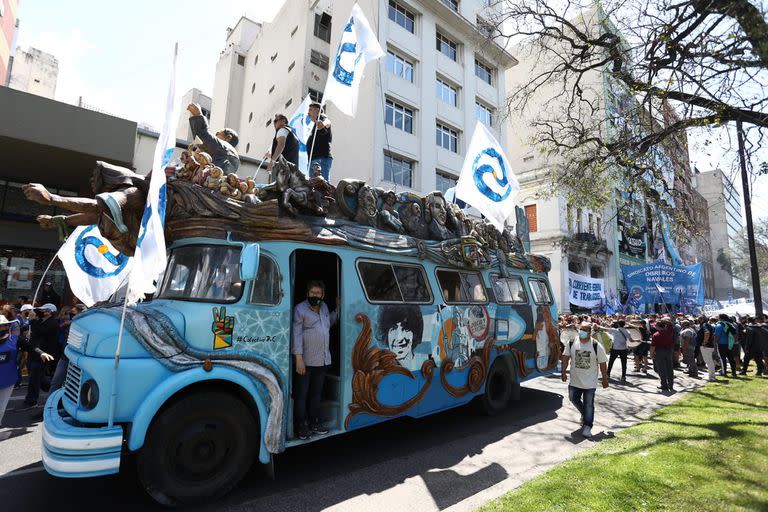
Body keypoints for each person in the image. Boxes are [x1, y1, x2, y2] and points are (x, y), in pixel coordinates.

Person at [292, 280, 338, 440]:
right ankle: (301, 425)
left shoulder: (324, 307)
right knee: (302, 395)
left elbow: (328, 324)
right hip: (305, 361)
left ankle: (314, 422)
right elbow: (296, 334)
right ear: (307, 293)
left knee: (316, 395)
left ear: (323, 295)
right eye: (312, 293)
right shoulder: (300, 309)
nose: (315, 296)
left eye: (318, 293)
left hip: (322, 359)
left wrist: (337, 309)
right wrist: (298, 358)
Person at [561, 321, 609, 438]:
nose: (583, 332)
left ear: (590, 332)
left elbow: (602, 363)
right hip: (575, 380)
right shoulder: (572, 342)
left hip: (590, 381)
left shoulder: (596, 345)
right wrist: (563, 372)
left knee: (589, 404)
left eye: (585, 330)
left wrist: (604, 378)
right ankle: (585, 414)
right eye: (581, 329)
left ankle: (588, 426)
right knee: (573, 399)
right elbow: (566, 358)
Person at [17, 303, 59, 410]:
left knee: (34, 378)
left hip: (44, 355)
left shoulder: (53, 323)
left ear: (50, 312)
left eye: (44, 310)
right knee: (38, 377)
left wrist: (32, 320)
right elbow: (31, 329)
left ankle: (31, 401)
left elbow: (41, 330)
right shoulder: (40, 321)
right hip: (33, 352)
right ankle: (55, 392)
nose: (40, 312)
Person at [186, 103, 240, 173]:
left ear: (228, 138)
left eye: (217, 134)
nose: (215, 136)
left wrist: (198, 115)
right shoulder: (230, 156)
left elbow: (203, 136)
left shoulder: (225, 148)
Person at [306, 102, 333, 181]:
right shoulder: (315, 124)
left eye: (310, 110)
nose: (308, 112)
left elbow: (327, 122)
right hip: (314, 159)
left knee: (322, 186)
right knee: (315, 187)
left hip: (320, 159)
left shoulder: (322, 117)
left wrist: (323, 125)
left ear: (317, 110)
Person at [0, 314, 18, 429]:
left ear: (6, 326)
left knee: (1, 405)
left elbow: (30, 346)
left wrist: (41, 353)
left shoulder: (14, 339)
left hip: (7, 379)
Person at [650, 318, 675, 392]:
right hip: (669, 350)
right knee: (669, 368)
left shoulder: (656, 335)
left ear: (658, 327)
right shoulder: (669, 331)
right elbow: (670, 323)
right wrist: (663, 321)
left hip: (660, 351)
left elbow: (653, 346)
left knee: (661, 369)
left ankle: (664, 385)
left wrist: (651, 354)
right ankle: (670, 385)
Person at [714, 313, 738, 378]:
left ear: (720, 318)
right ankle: (734, 372)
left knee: (722, 359)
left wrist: (715, 344)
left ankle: (724, 372)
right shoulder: (730, 324)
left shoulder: (719, 325)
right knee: (731, 359)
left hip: (721, 344)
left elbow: (717, 336)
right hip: (730, 344)